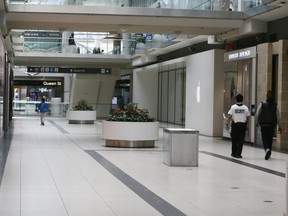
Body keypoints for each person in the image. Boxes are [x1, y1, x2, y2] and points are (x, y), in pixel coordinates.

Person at [256, 90, 282, 160]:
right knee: (270, 139)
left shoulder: (262, 104)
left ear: (266, 96)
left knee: (264, 138)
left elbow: (257, 114)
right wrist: (280, 126)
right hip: (271, 125)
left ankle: (267, 150)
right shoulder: (275, 105)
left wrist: (256, 122)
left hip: (263, 124)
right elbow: (278, 117)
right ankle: (269, 151)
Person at [226, 94, 251, 158]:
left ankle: (233, 153)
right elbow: (248, 116)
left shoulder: (233, 107)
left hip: (235, 125)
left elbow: (229, 116)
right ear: (242, 99)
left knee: (234, 140)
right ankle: (238, 154)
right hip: (242, 126)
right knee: (241, 140)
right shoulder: (245, 108)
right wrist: (246, 124)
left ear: (236, 99)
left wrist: (227, 124)